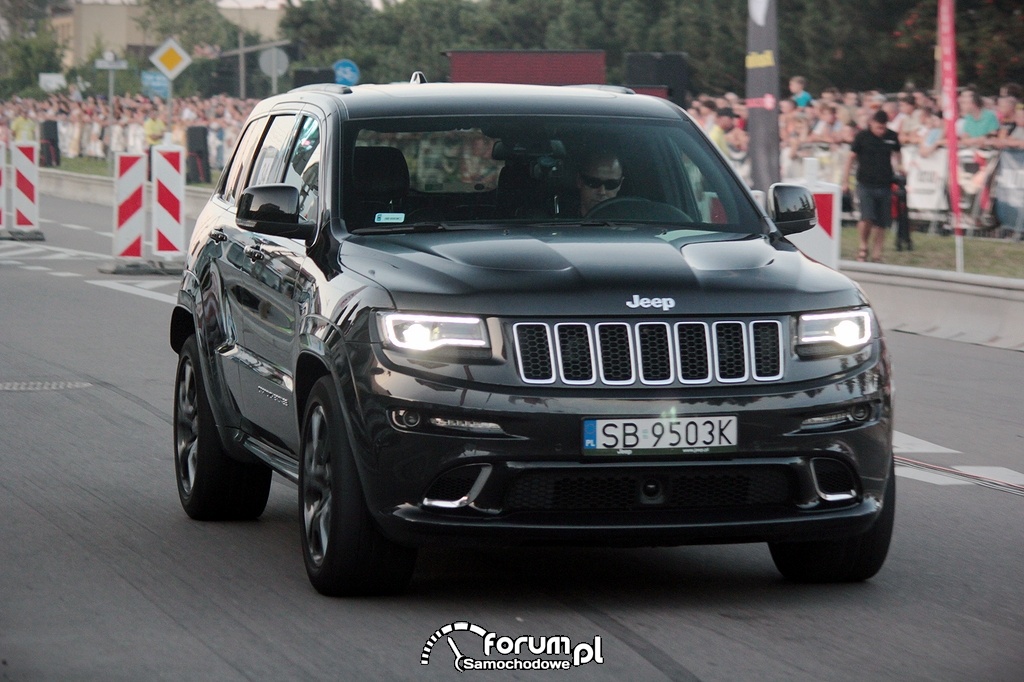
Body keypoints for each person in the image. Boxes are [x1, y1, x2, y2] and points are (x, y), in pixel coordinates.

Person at [842, 110, 902, 263]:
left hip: (885, 184)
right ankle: (863, 246)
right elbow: (851, 158)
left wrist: (901, 168)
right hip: (865, 183)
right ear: (871, 124)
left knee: (882, 222)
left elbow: (898, 153)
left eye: (883, 128)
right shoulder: (862, 137)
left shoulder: (892, 136)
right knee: (866, 217)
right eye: (878, 128)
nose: (880, 131)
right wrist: (845, 181)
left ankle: (877, 253)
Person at [576, 151, 624, 216]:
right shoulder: (561, 221)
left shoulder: (630, 219)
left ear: (620, 184)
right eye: (594, 182)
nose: (602, 192)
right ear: (579, 181)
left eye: (611, 184)